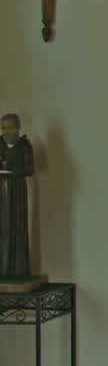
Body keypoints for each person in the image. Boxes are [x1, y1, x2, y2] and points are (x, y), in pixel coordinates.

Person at [0, 113, 34, 278]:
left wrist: (16, 170)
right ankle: (2, 268)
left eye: (10, 127)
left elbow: (30, 169)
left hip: (17, 190)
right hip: (1, 190)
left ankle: (18, 269)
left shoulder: (24, 146)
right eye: (3, 128)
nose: (7, 131)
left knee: (17, 225)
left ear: (18, 127)